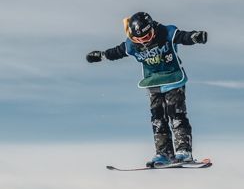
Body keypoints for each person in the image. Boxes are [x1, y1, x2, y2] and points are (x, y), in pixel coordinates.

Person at [86, 12, 208, 166]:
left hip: (173, 79)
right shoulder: (131, 44)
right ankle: (164, 153)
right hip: (153, 83)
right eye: (140, 39)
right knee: (158, 119)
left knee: (176, 114)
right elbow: (117, 52)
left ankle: (184, 151)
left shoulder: (166, 32)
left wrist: (195, 37)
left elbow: (182, 36)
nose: (144, 41)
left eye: (147, 36)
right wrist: (101, 55)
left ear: (153, 29)